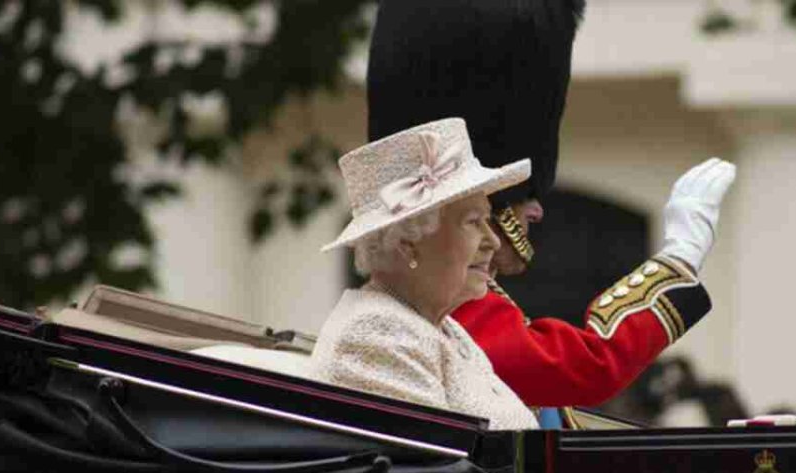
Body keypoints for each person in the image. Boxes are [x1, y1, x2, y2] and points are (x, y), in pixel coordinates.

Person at [367, 0, 737, 419]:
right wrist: (679, 259)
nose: (538, 211)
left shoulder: (454, 300)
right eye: (521, 193)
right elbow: (588, 365)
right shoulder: (448, 309)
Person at [311, 118, 539, 430]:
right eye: (473, 222)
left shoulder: (440, 327)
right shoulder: (380, 334)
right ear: (407, 244)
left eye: (488, 221)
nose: (494, 241)